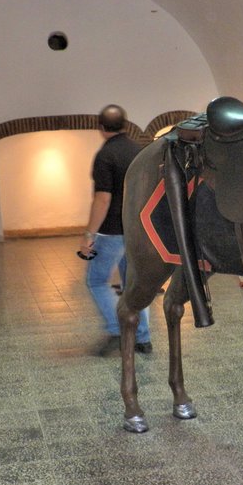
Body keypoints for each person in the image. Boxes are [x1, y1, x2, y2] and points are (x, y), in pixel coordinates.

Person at [79, 105, 151, 357]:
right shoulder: (140, 152)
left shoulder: (105, 155)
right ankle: (142, 338)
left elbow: (103, 199)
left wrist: (89, 235)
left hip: (112, 232)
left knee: (97, 280)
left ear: (101, 128)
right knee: (134, 283)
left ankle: (117, 331)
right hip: (138, 229)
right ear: (126, 124)